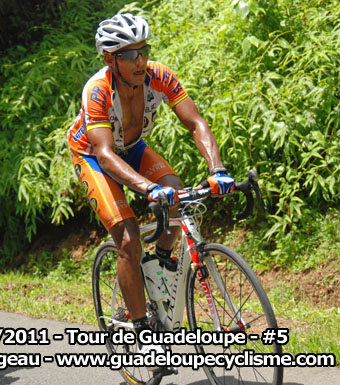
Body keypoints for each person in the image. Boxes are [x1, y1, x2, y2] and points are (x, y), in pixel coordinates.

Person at [67, 13, 235, 356]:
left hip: (132, 148)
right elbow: (105, 152)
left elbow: (195, 122)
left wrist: (217, 170)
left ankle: (160, 264)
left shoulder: (157, 76)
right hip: (95, 156)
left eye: (143, 50)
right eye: (129, 55)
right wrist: (147, 188)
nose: (140, 60)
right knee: (128, 238)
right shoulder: (98, 89)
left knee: (175, 191)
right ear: (109, 58)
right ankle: (141, 332)